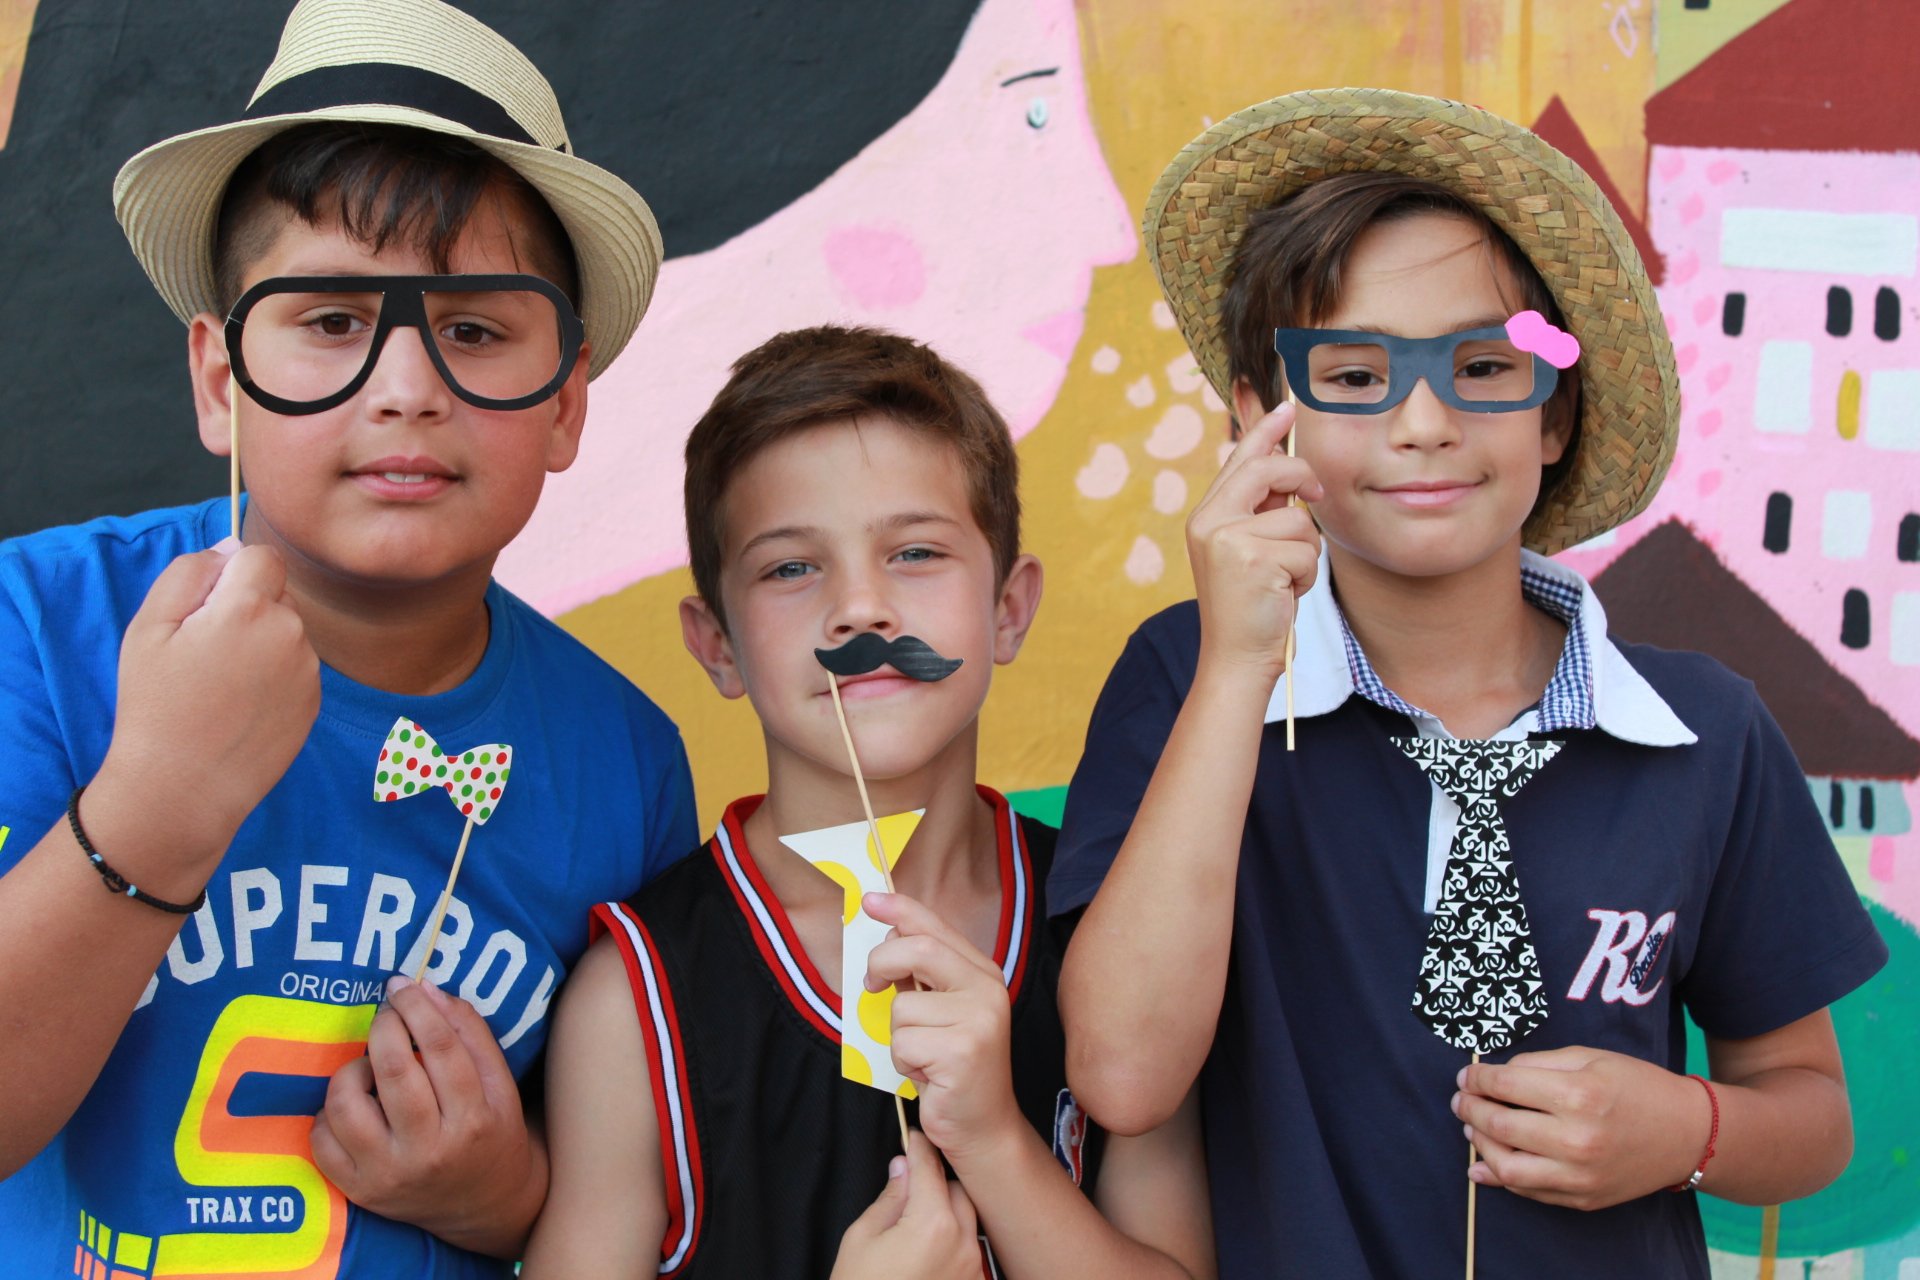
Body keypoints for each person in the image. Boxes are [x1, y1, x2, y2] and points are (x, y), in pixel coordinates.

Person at [1051, 89, 1889, 1279]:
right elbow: (1124, 1072)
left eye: (1484, 364)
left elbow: (1810, 1115)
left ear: (1553, 414)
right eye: (1351, 374)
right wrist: (1243, 661)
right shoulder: (1186, 681)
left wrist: (1685, 1130)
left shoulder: (1704, 730)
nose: (1426, 421)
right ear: (1259, 422)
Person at [0, 1, 695, 1275]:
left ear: (566, 403)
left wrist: (506, 1190)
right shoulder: (38, 628)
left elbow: (628, 1201)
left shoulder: (625, 761)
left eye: (477, 330)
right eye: (330, 321)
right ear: (221, 380)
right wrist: (159, 802)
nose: (406, 384)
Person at [522, 325, 1213, 1279]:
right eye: (791, 568)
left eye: (917, 553)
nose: (860, 610)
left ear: (1008, 608)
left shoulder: (1112, 933)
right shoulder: (633, 1002)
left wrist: (998, 1147)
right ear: (716, 643)